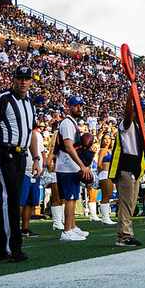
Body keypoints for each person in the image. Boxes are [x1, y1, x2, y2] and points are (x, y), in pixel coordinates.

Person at [0, 66, 40, 261]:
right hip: (4, 152)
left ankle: (2, 250)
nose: (23, 82)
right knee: (10, 199)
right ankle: (11, 248)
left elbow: (31, 133)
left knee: (12, 199)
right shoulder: (4, 98)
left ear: (31, 81)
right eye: (20, 78)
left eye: (26, 79)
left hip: (21, 154)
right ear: (13, 79)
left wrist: (37, 158)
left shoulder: (30, 103)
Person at [108, 93, 145, 247]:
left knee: (131, 204)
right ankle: (124, 235)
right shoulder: (128, 124)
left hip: (135, 169)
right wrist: (130, 97)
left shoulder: (139, 127)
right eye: (144, 110)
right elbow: (127, 114)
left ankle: (125, 233)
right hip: (126, 168)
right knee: (126, 203)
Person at [55, 96, 90, 242]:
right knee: (70, 199)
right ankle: (67, 231)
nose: (79, 108)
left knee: (73, 198)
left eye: (80, 105)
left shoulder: (71, 123)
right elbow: (68, 146)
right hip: (67, 166)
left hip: (70, 166)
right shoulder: (67, 123)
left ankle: (72, 226)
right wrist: (82, 165)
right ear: (69, 106)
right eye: (76, 105)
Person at [96, 133, 116, 224]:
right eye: (105, 138)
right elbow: (99, 164)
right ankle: (105, 218)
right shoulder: (103, 150)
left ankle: (106, 217)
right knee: (106, 196)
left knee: (108, 195)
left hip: (110, 174)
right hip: (104, 174)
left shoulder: (111, 150)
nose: (107, 140)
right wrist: (102, 173)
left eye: (109, 138)